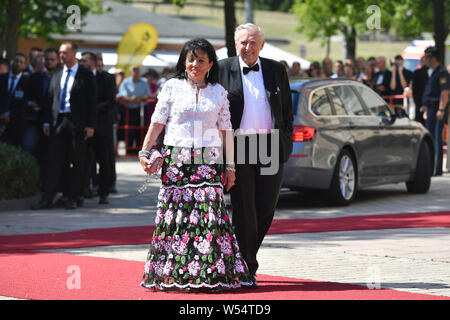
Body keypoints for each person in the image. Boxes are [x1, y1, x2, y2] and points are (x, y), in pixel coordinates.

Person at [139, 38, 253, 292]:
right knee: (177, 218)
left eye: (201, 60)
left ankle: (210, 273)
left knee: (208, 218)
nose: (195, 64)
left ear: (211, 64)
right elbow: (157, 122)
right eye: (191, 59)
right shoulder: (171, 87)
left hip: (209, 161)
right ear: (184, 62)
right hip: (176, 160)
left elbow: (226, 132)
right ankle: (175, 272)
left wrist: (231, 167)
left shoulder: (219, 92)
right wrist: (145, 151)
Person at [218, 23, 293, 288]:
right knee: (243, 209)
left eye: (253, 42)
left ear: (261, 45)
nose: (247, 47)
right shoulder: (222, 68)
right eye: (243, 42)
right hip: (239, 146)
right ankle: (247, 266)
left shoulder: (275, 69)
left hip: (270, 145)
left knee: (266, 208)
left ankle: (244, 255)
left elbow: (286, 111)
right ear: (235, 43)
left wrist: (285, 140)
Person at [32, 41, 97, 210]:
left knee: (76, 161)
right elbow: (50, 99)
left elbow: (92, 102)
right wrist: (47, 121)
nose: (61, 56)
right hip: (58, 121)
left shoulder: (85, 74)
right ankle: (48, 197)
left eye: (65, 53)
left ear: (74, 53)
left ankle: (72, 197)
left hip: (77, 123)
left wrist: (90, 125)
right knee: (54, 160)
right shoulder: (57, 73)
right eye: (60, 53)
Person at [80, 51, 116, 204]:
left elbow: (110, 101)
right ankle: (83, 190)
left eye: (84, 60)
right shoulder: (80, 77)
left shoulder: (106, 78)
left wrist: (91, 109)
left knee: (104, 160)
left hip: (102, 127)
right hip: (84, 127)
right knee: (83, 160)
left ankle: (103, 191)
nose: (81, 62)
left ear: (93, 63)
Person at [421, 47, 450, 176]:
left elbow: (445, 93)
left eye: (426, 57)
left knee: (436, 139)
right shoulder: (433, 72)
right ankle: (432, 166)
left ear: (432, 58)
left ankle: (436, 169)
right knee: (432, 138)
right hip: (431, 110)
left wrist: (441, 109)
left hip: (437, 110)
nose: (425, 60)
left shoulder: (442, 72)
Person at [117, 66, 151, 154]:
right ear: (131, 72)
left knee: (140, 130)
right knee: (129, 131)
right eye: (134, 72)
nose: (136, 74)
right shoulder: (126, 82)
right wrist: (130, 99)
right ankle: (129, 151)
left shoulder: (144, 81)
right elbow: (121, 95)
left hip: (141, 109)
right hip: (128, 109)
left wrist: (140, 98)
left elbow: (148, 94)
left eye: (137, 72)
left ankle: (138, 151)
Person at [0, 53, 30, 147]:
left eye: (21, 62)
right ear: (11, 62)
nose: (18, 64)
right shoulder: (2, 78)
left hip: (16, 124)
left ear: (25, 65)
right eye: (16, 61)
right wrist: (2, 114)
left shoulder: (27, 81)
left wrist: (10, 115)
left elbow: (24, 103)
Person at [408, 56, 429, 125]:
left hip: (421, 105)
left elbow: (414, 91)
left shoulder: (417, 73)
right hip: (424, 105)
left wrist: (419, 104)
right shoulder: (417, 73)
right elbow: (414, 91)